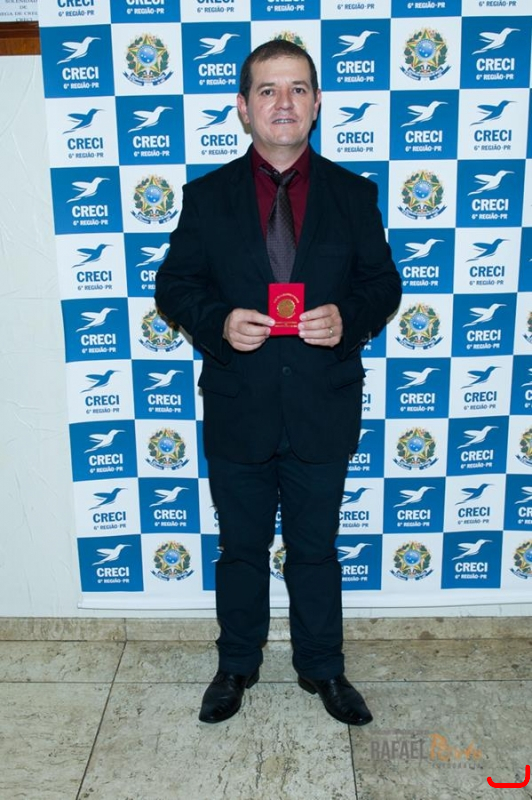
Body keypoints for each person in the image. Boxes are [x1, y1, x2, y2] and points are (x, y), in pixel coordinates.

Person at [155, 39, 402, 725]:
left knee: (316, 550)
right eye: (268, 90)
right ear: (244, 107)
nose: (283, 103)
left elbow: (383, 284)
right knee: (240, 550)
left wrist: (347, 318)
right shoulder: (207, 198)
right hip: (240, 405)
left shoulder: (354, 195)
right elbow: (174, 284)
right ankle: (236, 663)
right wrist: (219, 321)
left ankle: (323, 667)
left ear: (317, 103)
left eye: (297, 89)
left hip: (323, 404)